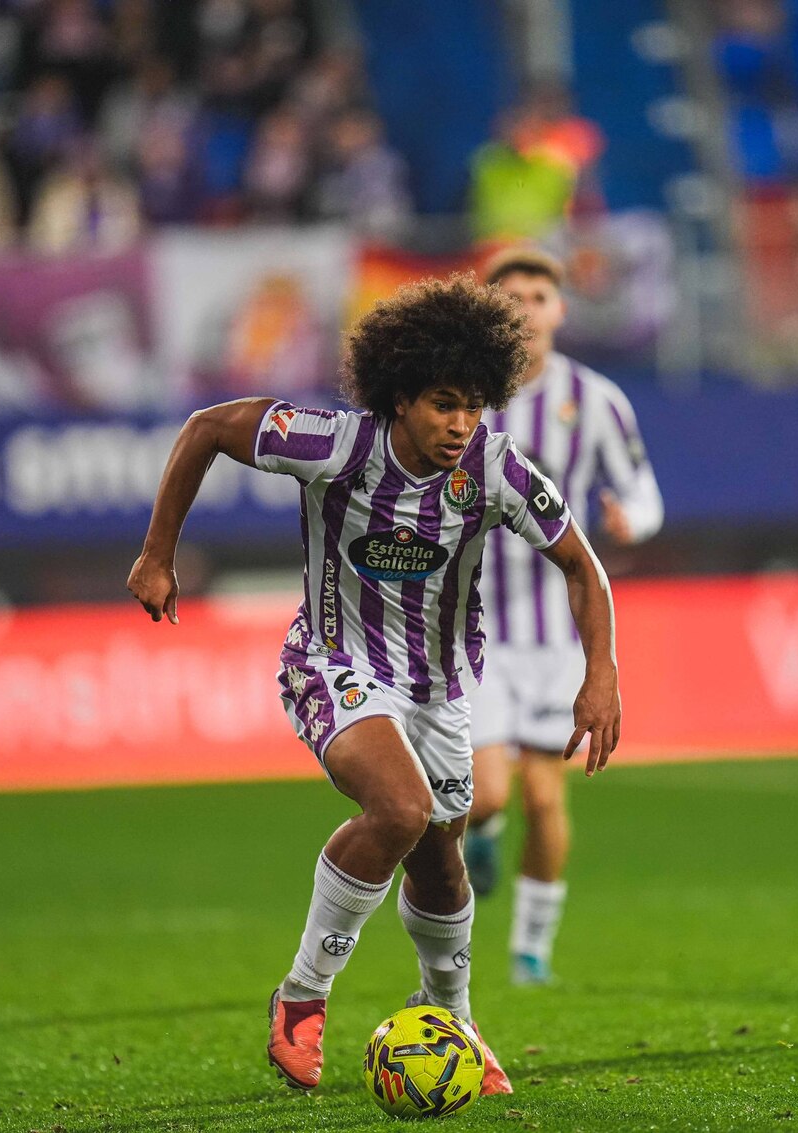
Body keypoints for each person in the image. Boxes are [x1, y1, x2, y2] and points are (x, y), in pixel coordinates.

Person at [126, 273, 622, 1091]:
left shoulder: (494, 468)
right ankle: (302, 996)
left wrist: (600, 671)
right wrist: (157, 553)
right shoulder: (335, 445)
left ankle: (453, 1017)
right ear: (399, 397)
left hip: (440, 691)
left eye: (472, 405)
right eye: (442, 404)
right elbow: (207, 427)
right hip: (334, 664)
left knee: (442, 864)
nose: (459, 424)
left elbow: (580, 563)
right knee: (399, 806)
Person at [461, 248, 663, 986]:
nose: (525, 309)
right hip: (473, 629)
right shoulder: (460, 393)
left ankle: (530, 950)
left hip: (557, 633)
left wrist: (632, 522)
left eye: (538, 296)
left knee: (546, 798)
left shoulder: (595, 399)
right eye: (509, 297)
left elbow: (642, 489)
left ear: (560, 310)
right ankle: (482, 829)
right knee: (487, 791)